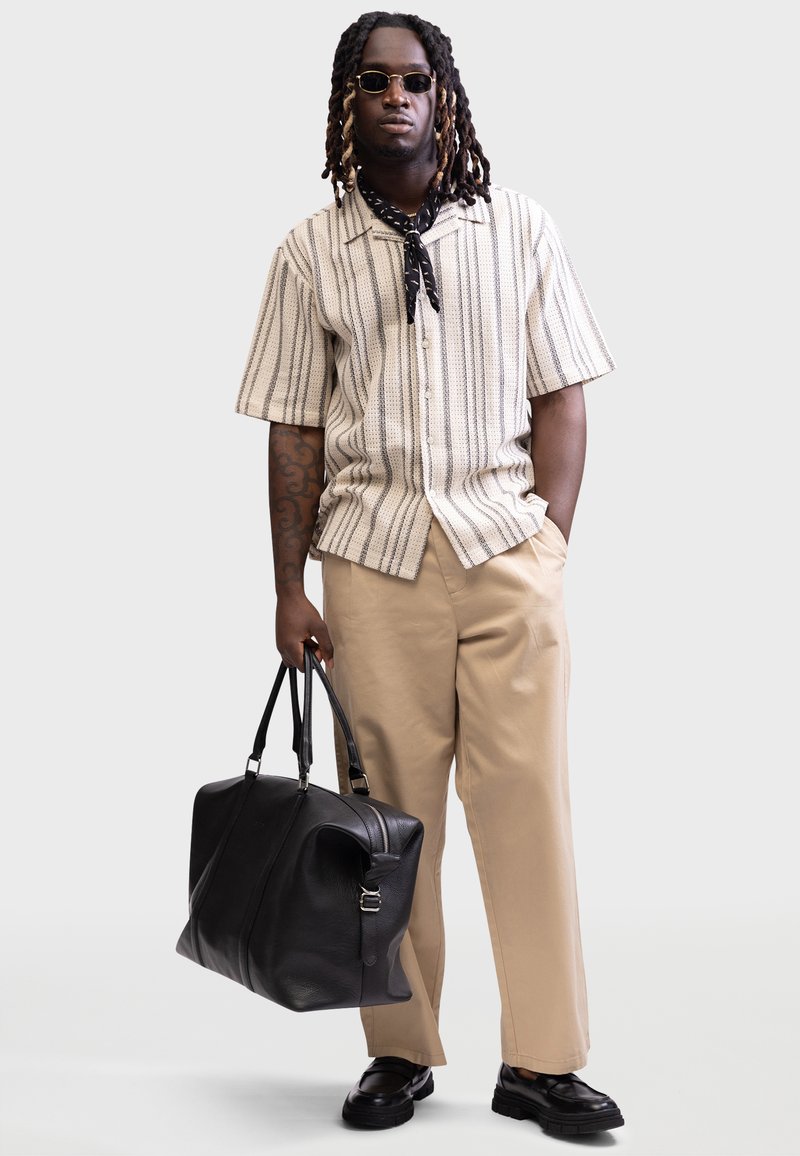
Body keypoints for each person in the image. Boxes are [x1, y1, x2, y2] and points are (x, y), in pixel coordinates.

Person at [234, 9, 624, 1137]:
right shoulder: (309, 252)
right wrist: (290, 586)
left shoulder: (521, 228)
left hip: (504, 558)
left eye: (414, 80)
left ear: (444, 96)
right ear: (346, 103)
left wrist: (546, 544)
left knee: (527, 806)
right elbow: (295, 429)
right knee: (385, 825)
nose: (395, 97)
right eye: (373, 80)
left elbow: (562, 393)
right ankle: (398, 1052)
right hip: (371, 567)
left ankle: (542, 1062)